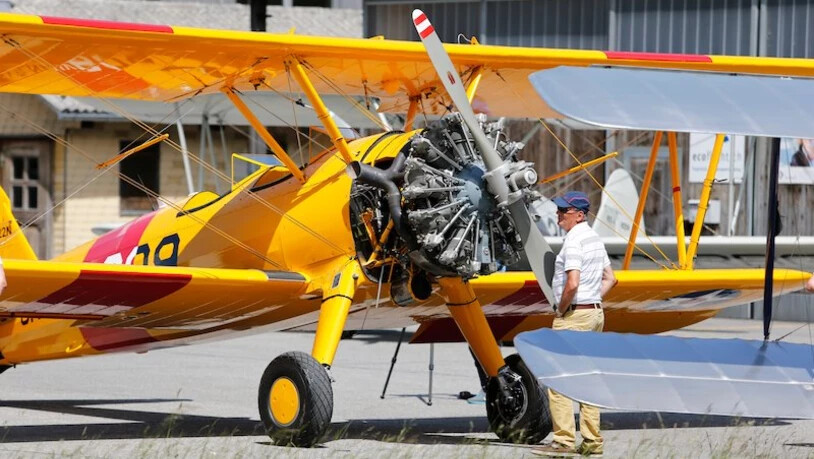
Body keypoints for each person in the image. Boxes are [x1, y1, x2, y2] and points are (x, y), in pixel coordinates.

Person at [533, 191, 616, 457]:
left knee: (559, 381)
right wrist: (592, 301)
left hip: (574, 317)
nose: (558, 216)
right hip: (595, 314)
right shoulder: (594, 239)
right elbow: (611, 279)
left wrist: (562, 308)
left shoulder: (573, 242)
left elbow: (573, 283)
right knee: (587, 380)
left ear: (579, 215)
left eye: (563, 212)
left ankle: (563, 442)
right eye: (558, 210)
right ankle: (592, 442)